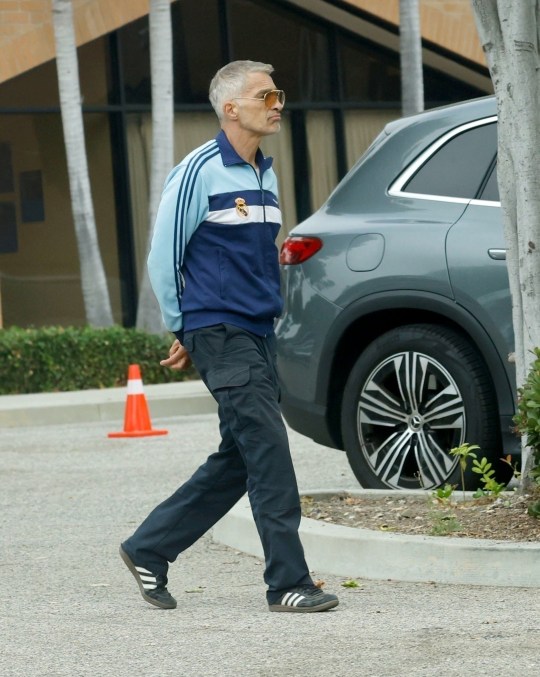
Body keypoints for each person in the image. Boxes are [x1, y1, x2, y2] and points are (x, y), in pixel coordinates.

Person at [119, 60, 339, 614]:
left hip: (255, 332)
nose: (278, 103)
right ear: (231, 107)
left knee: (239, 459)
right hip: (221, 332)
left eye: (278, 93)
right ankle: (288, 582)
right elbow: (162, 257)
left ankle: (149, 547)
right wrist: (184, 324)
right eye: (266, 95)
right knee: (268, 453)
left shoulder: (264, 174)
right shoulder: (197, 172)